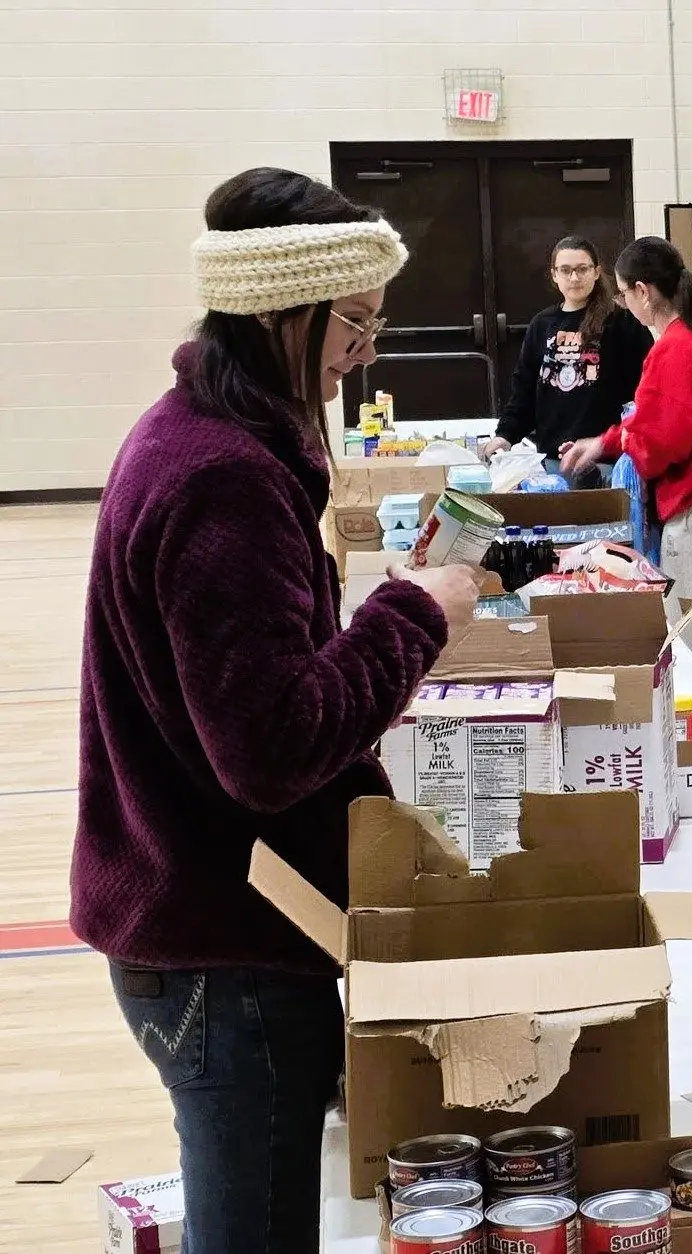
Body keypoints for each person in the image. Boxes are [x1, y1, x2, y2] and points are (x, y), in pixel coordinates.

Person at [70, 168, 480, 1254]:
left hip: (209, 922)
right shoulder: (223, 478)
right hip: (225, 944)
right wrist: (415, 613)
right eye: (355, 323)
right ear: (281, 312)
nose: (368, 352)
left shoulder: (205, 436)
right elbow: (273, 744)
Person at [561, 237, 692, 707]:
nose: (622, 304)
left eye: (620, 294)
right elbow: (655, 419)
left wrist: (624, 447)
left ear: (643, 292)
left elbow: (659, 445)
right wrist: (608, 440)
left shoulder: (674, 347)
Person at [481, 235, 652, 485]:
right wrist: (505, 434)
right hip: (554, 461)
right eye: (566, 270)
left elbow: (646, 390)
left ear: (596, 272)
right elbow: (525, 390)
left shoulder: (623, 323)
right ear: (554, 275)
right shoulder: (542, 324)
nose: (574, 277)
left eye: (582, 269)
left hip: (608, 458)